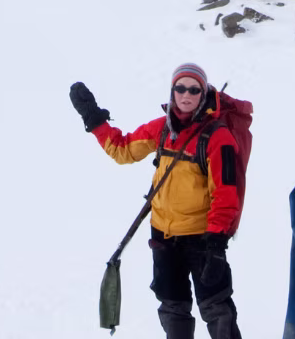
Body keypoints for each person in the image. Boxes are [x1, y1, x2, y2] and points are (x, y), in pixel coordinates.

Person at [70, 64, 244, 339]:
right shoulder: (162, 128)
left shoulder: (217, 137)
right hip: (163, 235)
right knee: (173, 307)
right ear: (172, 91)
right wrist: (94, 119)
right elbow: (123, 150)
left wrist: (216, 245)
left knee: (216, 308)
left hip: (202, 238)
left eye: (194, 89)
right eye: (180, 88)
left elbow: (225, 194)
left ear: (203, 93)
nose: (186, 95)